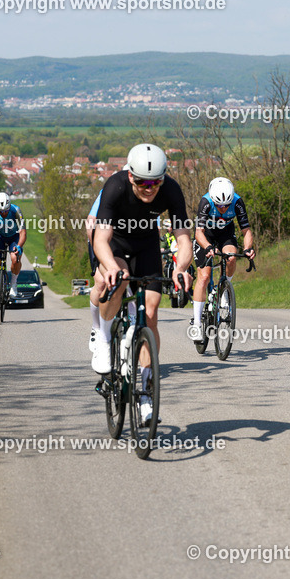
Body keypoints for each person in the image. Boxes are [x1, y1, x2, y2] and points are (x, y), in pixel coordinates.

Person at [92, 143, 193, 422]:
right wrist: (110, 266)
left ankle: (147, 393)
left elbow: (183, 237)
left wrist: (181, 267)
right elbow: (100, 239)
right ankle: (103, 336)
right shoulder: (115, 186)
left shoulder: (171, 190)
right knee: (120, 278)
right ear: (130, 177)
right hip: (116, 245)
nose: (149, 189)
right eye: (142, 183)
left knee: (150, 313)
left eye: (155, 183)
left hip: (146, 246)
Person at [189, 177, 256, 341]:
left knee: (231, 258)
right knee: (204, 276)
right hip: (206, 237)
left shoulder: (238, 202)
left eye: (226, 205)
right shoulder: (205, 202)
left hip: (225, 235)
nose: (223, 208)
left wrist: (248, 249)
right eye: (219, 205)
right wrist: (208, 247)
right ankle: (197, 324)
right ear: (213, 200)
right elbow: (199, 232)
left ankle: (225, 289)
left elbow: (246, 230)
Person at [0, 192, 26, 310]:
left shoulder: (16, 210)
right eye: (1, 212)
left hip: (14, 236)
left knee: (14, 258)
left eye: (6, 211)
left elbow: (23, 233)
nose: (4, 213)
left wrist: (19, 246)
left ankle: (13, 284)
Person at [86, 189, 105, 352]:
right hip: (98, 238)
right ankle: (96, 327)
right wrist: (95, 249)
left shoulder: (147, 193)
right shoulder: (110, 190)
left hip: (126, 241)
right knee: (101, 282)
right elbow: (91, 222)